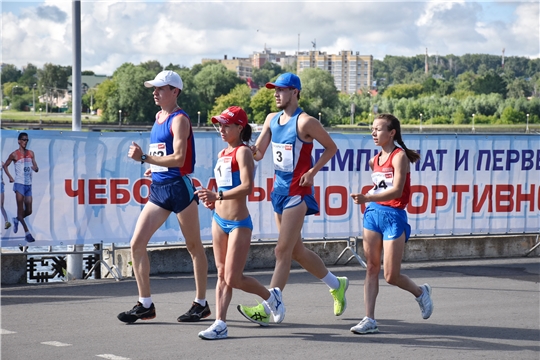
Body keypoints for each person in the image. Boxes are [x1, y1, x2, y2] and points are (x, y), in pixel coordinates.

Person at [237, 73, 348, 324]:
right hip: (278, 191)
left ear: (295, 92)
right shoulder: (271, 119)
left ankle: (268, 308)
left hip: (298, 193)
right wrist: (247, 147)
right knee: (296, 251)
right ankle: (336, 284)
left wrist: (312, 171)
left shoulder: (306, 122)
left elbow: (331, 148)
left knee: (281, 250)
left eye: (282, 89)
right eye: (274, 90)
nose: (276, 94)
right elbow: (259, 154)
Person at [117, 70, 210, 324]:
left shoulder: (180, 119)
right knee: (136, 244)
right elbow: (164, 154)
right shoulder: (159, 117)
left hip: (180, 189)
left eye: (160, 88)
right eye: (154, 88)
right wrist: (154, 166)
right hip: (159, 188)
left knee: (193, 247)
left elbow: (179, 159)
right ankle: (145, 304)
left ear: (175, 92)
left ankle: (201, 303)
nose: (155, 92)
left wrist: (144, 158)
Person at [196, 106, 284, 340]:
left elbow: (248, 187)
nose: (222, 129)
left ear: (239, 128)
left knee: (234, 278)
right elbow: (223, 186)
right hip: (218, 219)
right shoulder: (222, 154)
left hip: (238, 224)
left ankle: (270, 297)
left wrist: (219, 197)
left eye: (227, 125)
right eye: (220, 124)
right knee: (222, 274)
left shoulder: (243, 153)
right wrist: (211, 199)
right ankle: (220, 323)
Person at [349, 113, 433, 335]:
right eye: (372, 129)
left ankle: (420, 292)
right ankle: (369, 319)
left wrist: (367, 197)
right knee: (371, 268)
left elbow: (396, 190)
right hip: (373, 215)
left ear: (392, 132)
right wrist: (368, 200)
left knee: (391, 275)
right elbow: (380, 186)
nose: (373, 133)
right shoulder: (374, 160)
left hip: (393, 216)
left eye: (378, 129)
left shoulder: (399, 157)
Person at [3, 132, 38, 243]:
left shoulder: (31, 153)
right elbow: (5, 165)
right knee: (20, 210)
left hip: (28, 184)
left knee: (29, 210)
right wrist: (10, 177)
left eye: (26, 140)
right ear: (18, 141)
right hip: (19, 184)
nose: (25, 142)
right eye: (23, 139)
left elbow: (36, 167)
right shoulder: (14, 154)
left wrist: (35, 168)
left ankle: (17, 219)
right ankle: (27, 233)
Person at [1, 161, 12, 230]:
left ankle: (6, 222)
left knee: (1, 206)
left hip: (0, 185)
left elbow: (4, 166)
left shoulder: (1, 162)